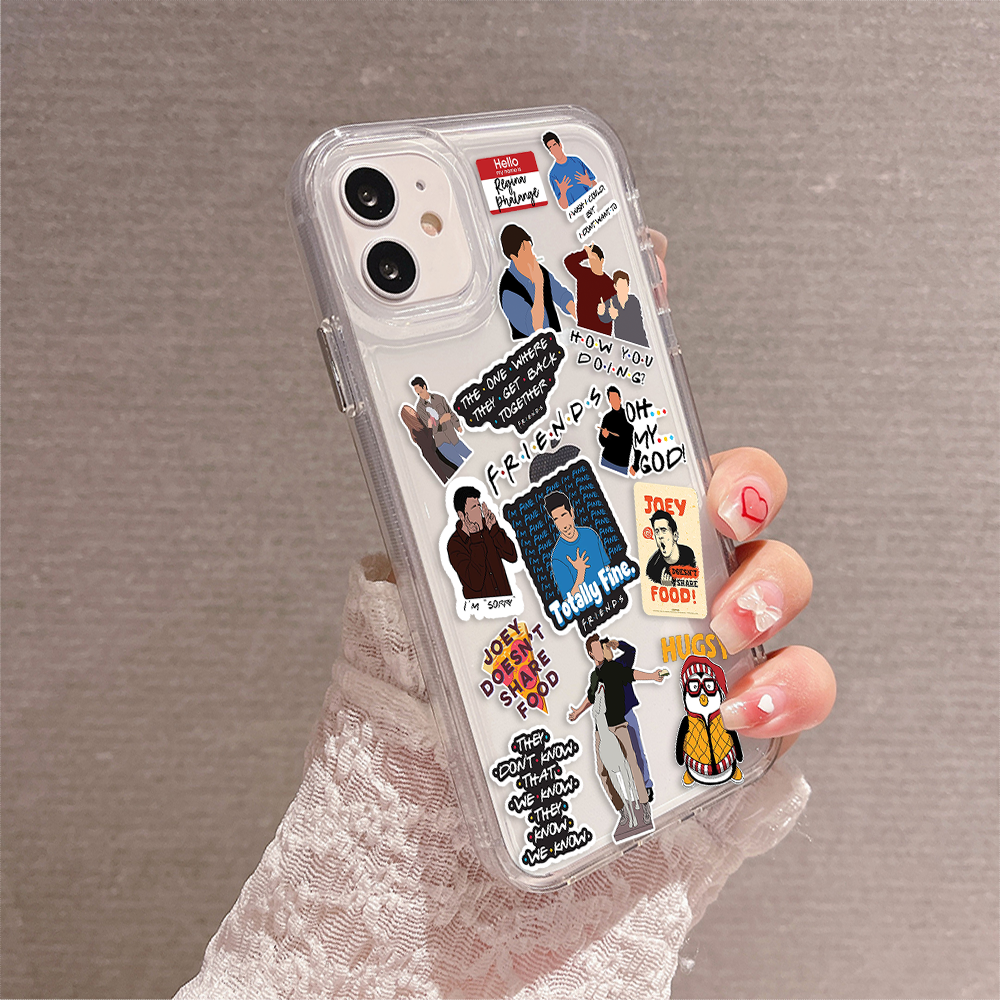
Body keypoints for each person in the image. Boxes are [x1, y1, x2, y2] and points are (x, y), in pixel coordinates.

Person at [175, 233, 837, 1000]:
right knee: (615, 755)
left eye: (562, 516)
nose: (558, 522)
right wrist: (432, 711)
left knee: (638, 746)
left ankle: (637, 800)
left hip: (612, 702)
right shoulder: (503, 532)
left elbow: (633, 657)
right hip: (531, 706)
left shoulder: (590, 552)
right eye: (553, 518)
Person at [568, 635, 664, 837]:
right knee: (603, 770)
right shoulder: (595, 675)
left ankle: (644, 798)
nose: (603, 652)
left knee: (634, 757)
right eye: (598, 649)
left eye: (603, 648)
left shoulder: (617, 666)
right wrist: (578, 711)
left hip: (621, 719)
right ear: (591, 653)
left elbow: (632, 668)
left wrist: (652, 676)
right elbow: (591, 696)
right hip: (601, 726)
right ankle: (623, 811)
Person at [498, 223, 577, 338]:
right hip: (533, 347)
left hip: (556, 341)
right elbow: (535, 327)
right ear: (513, 257)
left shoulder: (540, 271)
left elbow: (560, 294)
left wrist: (577, 314)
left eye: (530, 249)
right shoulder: (508, 290)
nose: (533, 255)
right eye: (525, 251)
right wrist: (539, 284)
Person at [446, 485, 518, 600]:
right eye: (474, 507)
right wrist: (476, 539)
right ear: (461, 515)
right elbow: (475, 582)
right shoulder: (455, 544)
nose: (479, 511)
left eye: (479, 506)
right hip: (482, 608)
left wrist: (494, 529)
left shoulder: (487, 528)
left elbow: (512, 556)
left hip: (506, 602)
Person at [545, 490, 610, 599]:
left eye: (564, 515)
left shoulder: (591, 535)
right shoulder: (557, 557)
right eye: (556, 519)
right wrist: (580, 572)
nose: (563, 525)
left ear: (572, 513)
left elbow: (607, 568)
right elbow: (568, 600)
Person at [411, 377, 472, 469]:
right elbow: (429, 427)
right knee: (461, 465)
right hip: (442, 443)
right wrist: (440, 421)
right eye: (415, 389)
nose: (416, 391)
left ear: (424, 386)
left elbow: (450, 412)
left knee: (470, 457)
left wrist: (457, 425)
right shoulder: (420, 408)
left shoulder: (439, 398)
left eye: (417, 388)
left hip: (454, 438)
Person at [562, 243, 616, 333]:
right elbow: (568, 261)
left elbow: (614, 310)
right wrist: (584, 253)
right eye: (590, 259)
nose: (592, 262)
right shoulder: (583, 274)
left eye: (594, 259)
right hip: (583, 327)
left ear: (602, 261)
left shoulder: (610, 285)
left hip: (602, 332)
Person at [399, 404, 459, 484]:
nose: (413, 411)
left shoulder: (419, 421)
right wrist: (430, 427)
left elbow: (429, 435)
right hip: (430, 453)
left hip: (434, 448)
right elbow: (427, 442)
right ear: (408, 416)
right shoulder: (415, 431)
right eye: (410, 411)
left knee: (450, 466)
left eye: (411, 409)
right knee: (443, 472)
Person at [542, 130, 597, 209]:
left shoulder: (576, 161)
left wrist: (589, 183)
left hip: (592, 205)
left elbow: (596, 185)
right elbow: (564, 206)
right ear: (550, 152)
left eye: (554, 145)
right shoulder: (553, 174)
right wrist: (563, 192)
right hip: (576, 211)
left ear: (560, 145)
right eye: (551, 147)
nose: (554, 149)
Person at [597, 270, 649, 347]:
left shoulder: (634, 300)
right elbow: (605, 318)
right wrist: (601, 313)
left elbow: (635, 318)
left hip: (639, 342)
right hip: (623, 344)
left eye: (625, 286)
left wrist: (616, 315)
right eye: (620, 286)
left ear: (628, 287)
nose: (623, 289)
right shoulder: (612, 302)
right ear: (615, 287)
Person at [645, 509, 697, 585]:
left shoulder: (689, 554)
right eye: (657, 532)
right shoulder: (653, 568)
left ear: (675, 536)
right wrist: (665, 588)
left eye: (664, 530)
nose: (660, 536)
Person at [598, 386, 637, 476]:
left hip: (622, 464)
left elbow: (630, 441)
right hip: (606, 460)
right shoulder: (607, 417)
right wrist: (604, 436)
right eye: (611, 399)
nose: (614, 401)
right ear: (609, 401)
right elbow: (602, 443)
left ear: (620, 399)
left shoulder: (629, 417)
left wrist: (635, 465)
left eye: (615, 398)